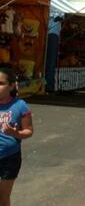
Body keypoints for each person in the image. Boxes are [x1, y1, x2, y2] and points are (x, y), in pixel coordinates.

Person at [0, 68, 33, 206]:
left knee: (2, 198)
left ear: (12, 85)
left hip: (9, 159)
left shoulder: (20, 106)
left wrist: (15, 133)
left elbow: (29, 131)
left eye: (1, 83)